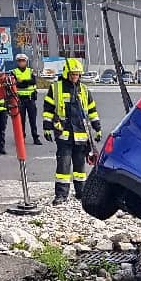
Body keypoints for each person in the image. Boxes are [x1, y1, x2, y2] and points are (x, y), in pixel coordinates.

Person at [43, 57, 101, 206]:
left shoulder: (84, 90)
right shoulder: (56, 88)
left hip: (81, 134)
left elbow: (92, 110)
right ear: (66, 73)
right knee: (63, 164)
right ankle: (61, 195)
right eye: (73, 74)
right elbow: (48, 109)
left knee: (80, 166)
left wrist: (97, 128)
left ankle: (81, 192)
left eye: (77, 74)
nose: (75, 77)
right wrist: (47, 127)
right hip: (64, 134)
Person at [12, 53, 41, 145]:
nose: (21, 62)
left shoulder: (30, 71)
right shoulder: (14, 72)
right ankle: (22, 138)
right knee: (21, 120)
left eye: (23, 61)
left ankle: (35, 137)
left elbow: (33, 81)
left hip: (30, 99)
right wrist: (26, 82)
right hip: (20, 100)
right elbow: (15, 84)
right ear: (17, 62)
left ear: (26, 61)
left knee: (33, 120)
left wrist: (23, 82)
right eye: (20, 61)